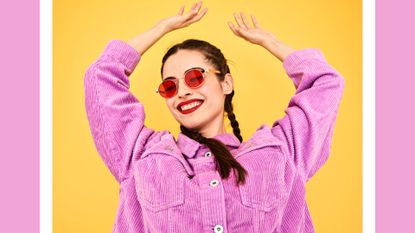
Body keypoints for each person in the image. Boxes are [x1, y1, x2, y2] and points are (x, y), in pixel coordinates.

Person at [84, 1, 345, 232]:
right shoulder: (140, 157)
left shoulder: (281, 154)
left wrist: (270, 42)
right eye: (170, 86)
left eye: (194, 77)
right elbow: (101, 76)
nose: (183, 92)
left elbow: (325, 84)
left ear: (226, 84)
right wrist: (160, 29)